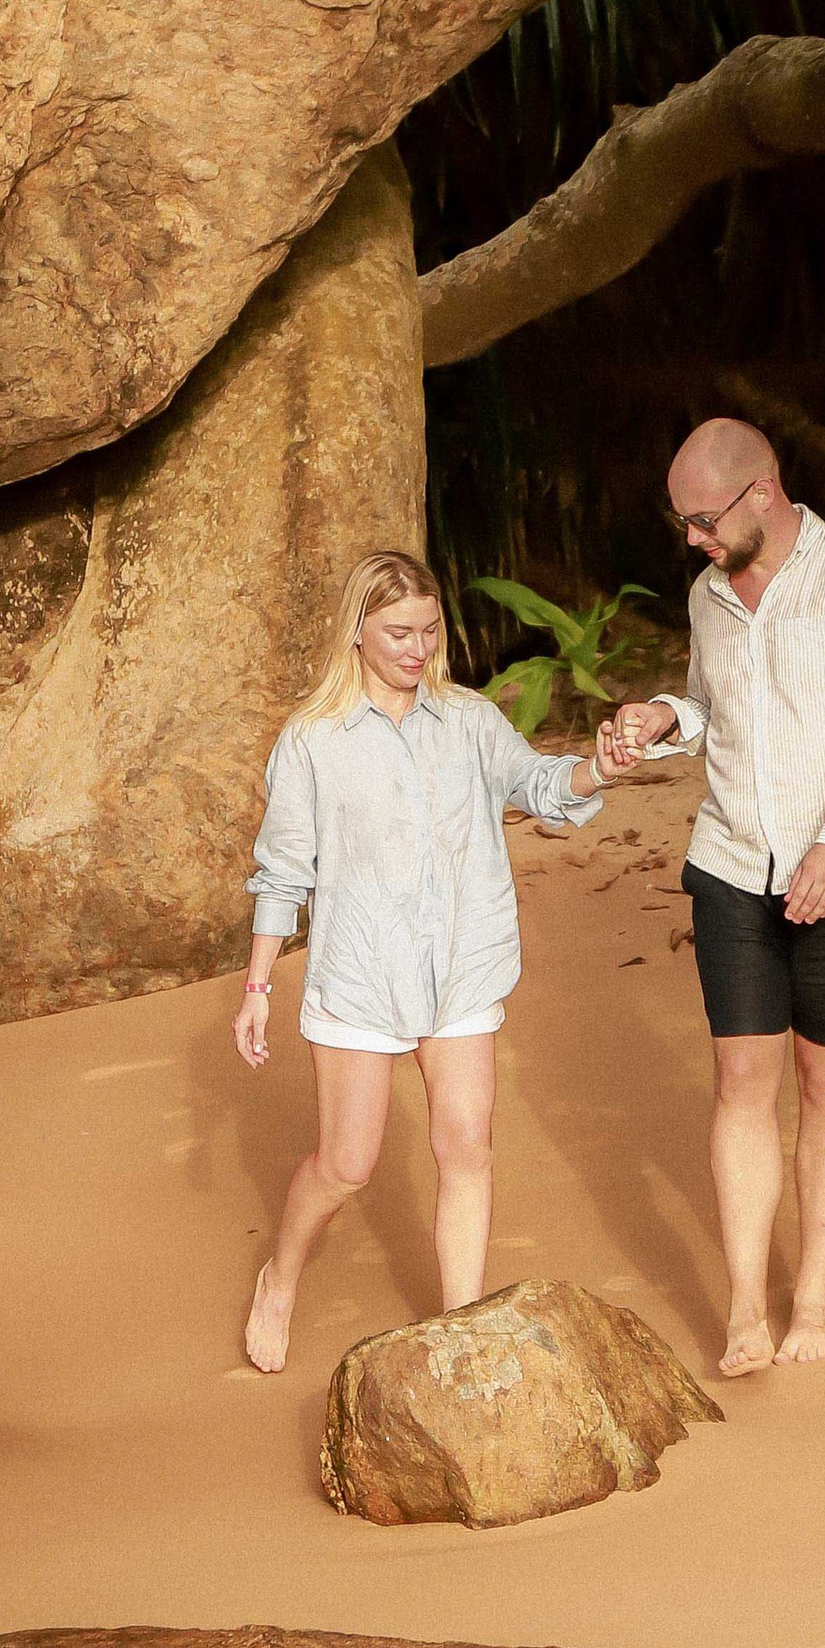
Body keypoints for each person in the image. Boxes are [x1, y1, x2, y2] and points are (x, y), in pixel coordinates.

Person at [597, 417, 825, 1380]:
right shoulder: (706, 597)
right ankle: (745, 1306)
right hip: (734, 863)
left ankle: (813, 1292)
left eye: (702, 519)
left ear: (762, 492)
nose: (692, 539)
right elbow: (712, 711)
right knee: (741, 1080)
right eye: (683, 521)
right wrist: (665, 718)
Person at [235, 548, 602, 1375]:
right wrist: (258, 986)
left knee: (466, 1146)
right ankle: (282, 1276)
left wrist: (599, 767)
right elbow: (283, 871)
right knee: (346, 1164)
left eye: (429, 631)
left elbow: (541, 784)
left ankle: (462, 1322)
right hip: (361, 978)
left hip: (463, 965)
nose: (418, 647)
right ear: (356, 632)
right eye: (399, 631)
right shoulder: (313, 742)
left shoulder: (468, 720)